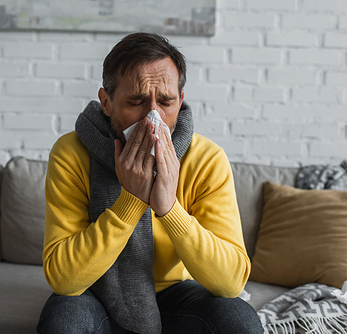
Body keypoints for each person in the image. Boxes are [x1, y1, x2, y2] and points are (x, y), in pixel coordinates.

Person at [37, 32, 263, 334]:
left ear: (180, 101)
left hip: (175, 292)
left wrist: (169, 208)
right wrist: (131, 199)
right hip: (93, 291)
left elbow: (231, 281)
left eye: (166, 102)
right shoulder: (71, 153)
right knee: (63, 322)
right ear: (106, 102)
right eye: (136, 101)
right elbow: (64, 279)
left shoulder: (207, 159)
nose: (152, 118)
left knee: (240, 321)